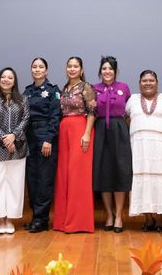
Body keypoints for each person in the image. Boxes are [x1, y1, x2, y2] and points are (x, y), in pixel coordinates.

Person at [126, 70, 162, 232]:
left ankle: (160, 217)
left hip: (161, 149)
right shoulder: (132, 100)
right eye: (144, 80)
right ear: (139, 83)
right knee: (144, 182)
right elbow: (126, 119)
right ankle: (148, 218)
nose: (147, 83)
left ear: (157, 82)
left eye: (151, 80)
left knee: (160, 181)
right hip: (139, 150)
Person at [52, 57, 97, 233]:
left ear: (81, 69)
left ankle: (79, 222)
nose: (72, 69)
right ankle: (62, 221)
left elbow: (93, 111)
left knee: (79, 175)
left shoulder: (86, 87)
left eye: (75, 66)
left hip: (81, 129)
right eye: (69, 66)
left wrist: (86, 133)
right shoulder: (64, 89)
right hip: (64, 131)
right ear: (66, 68)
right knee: (64, 175)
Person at [0, 67, 30, 234]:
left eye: (10, 77)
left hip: (17, 148)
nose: (6, 80)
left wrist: (14, 136)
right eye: (3, 76)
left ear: (14, 81)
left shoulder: (23, 100)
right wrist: (5, 138)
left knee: (14, 184)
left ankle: (9, 218)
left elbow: (26, 119)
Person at [92, 56, 132, 233]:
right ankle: (109, 214)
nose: (107, 71)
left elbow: (130, 111)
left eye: (110, 69)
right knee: (104, 172)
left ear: (116, 71)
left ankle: (119, 216)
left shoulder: (124, 88)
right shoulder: (93, 89)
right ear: (100, 71)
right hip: (100, 131)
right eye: (104, 68)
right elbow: (90, 112)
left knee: (120, 172)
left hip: (119, 131)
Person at [22, 57, 62, 233]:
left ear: (46, 71)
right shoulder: (27, 92)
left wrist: (48, 139)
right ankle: (35, 216)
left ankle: (42, 219)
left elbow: (55, 116)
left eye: (41, 67)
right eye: (34, 67)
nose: (37, 69)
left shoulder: (53, 91)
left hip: (46, 137)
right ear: (31, 70)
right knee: (32, 179)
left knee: (44, 179)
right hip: (29, 138)